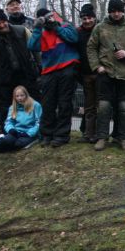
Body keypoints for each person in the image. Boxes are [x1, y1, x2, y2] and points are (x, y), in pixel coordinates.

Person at [87, 0, 125, 151]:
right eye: (113, 11)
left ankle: (123, 138)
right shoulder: (100, 27)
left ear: (123, 12)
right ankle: (102, 137)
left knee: (124, 107)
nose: (116, 14)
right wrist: (96, 66)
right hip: (105, 73)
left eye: (119, 11)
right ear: (109, 12)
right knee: (104, 106)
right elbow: (91, 47)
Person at [28, 8, 79, 148]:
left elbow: (74, 38)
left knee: (64, 103)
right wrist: (37, 28)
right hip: (49, 71)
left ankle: (61, 135)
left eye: (49, 16)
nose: (49, 19)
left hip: (67, 68)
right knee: (48, 104)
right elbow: (32, 46)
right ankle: (47, 134)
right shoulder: (41, 32)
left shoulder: (65, 25)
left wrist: (56, 27)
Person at [0, 9, 41, 131]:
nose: (1, 25)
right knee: (5, 106)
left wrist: (40, 68)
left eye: (3, 22)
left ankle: (37, 128)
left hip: (27, 73)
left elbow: (35, 50)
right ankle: (7, 130)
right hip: (5, 77)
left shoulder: (22, 30)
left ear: (7, 20)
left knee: (33, 100)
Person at [0, 85, 41, 154]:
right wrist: (11, 129)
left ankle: (3, 146)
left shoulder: (36, 105)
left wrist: (29, 133)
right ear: (14, 97)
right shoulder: (12, 107)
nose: (19, 98)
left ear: (26, 95)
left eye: (22, 95)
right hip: (16, 132)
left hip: (28, 133)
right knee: (6, 141)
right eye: (17, 96)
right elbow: (9, 121)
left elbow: (39, 122)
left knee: (18, 144)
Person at [76, 4, 98, 143]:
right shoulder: (78, 33)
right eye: (84, 18)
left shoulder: (100, 30)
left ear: (94, 18)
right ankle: (88, 133)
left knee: (101, 105)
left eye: (90, 18)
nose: (87, 21)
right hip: (85, 74)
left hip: (100, 73)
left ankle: (99, 134)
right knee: (89, 106)